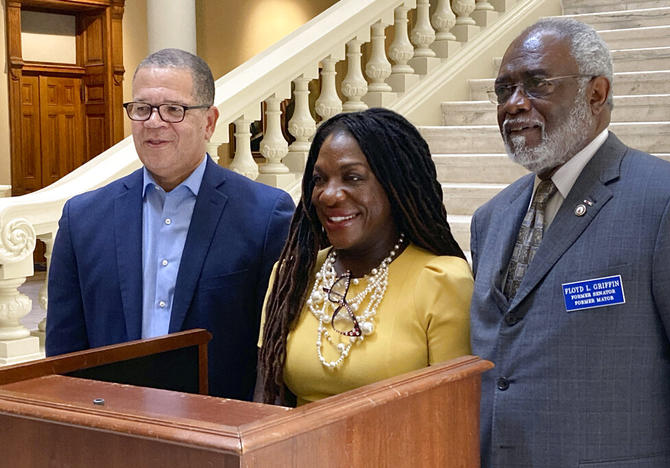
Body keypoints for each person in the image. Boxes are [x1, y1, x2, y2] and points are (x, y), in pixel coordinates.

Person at [470, 17, 670, 467]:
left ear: (595, 93)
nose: (515, 105)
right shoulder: (490, 219)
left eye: (537, 84)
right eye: (504, 90)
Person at [45, 48, 295, 400]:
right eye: (142, 109)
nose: (154, 122)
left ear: (208, 122)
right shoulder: (83, 219)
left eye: (173, 110)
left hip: (219, 433)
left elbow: (275, 355)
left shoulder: (265, 216)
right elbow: (63, 355)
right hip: (113, 432)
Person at [258, 108, 472, 406]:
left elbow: (453, 413)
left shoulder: (441, 280)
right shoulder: (291, 278)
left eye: (353, 177)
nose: (329, 195)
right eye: (320, 179)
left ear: (396, 185)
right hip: (296, 451)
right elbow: (267, 395)